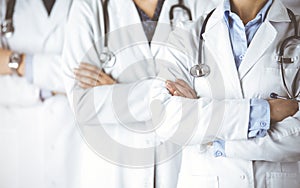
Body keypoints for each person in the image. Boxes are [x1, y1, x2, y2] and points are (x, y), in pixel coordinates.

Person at [63, 0, 221, 187]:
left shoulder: (201, 5)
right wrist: (173, 97)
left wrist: (114, 92)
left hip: (180, 166)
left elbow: (216, 92)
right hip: (114, 170)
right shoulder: (90, 6)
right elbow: (82, 104)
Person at [152, 0, 300, 187]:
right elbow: (167, 119)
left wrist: (217, 142)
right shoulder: (186, 36)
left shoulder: (295, 31)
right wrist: (265, 112)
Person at [0, 0, 80, 187]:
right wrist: (48, 88)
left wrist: (20, 63)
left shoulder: (94, 5)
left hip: (77, 147)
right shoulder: (5, 6)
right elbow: (79, 75)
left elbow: (95, 73)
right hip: (20, 151)